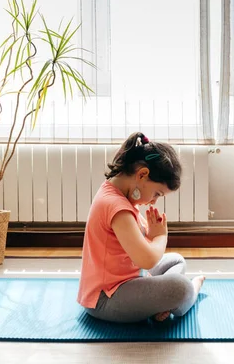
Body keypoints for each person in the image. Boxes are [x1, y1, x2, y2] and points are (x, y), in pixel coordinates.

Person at [78, 132, 206, 323]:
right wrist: (160, 236)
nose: (153, 201)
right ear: (142, 174)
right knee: (181, 287)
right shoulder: (117, 207)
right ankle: (191, 291)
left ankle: (156, 305)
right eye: (157, 193)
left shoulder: (118, 194)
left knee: (176, 261)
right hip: (106, 299)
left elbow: (136, 246)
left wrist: (149, 232)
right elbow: (147, 260)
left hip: (130, 279)